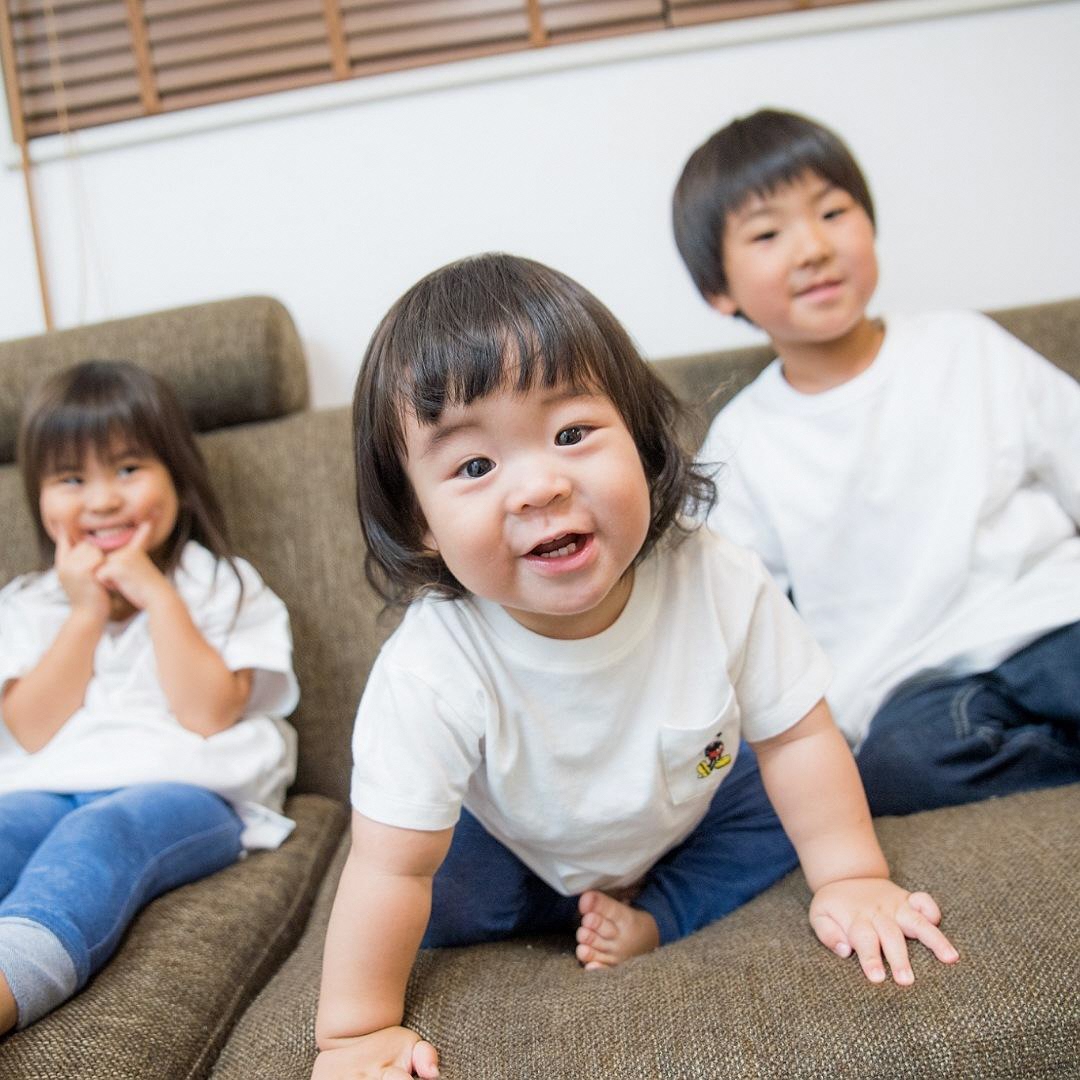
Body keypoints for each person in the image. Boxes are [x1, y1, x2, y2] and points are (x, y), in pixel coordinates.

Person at [312, 253, 957, 1079]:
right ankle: (571, 909)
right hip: (514, 848)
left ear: (643, 441)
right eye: (475, 467)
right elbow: (391, 866)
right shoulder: (434, 667)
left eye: (572, 434)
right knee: (414, 877)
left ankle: (658, 913)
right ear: (421, 521)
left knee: (787, 795)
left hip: (685, 818)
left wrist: (854, 877)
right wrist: (355, 1033)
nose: (539, 486)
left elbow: (799, 738)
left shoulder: (713, 575)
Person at [673, 108, 1080, 817]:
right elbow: (717, 616)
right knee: (894, 769)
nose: (812, 248)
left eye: (833, 212)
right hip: (916, 686)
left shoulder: (965, 347)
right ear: (720, 290)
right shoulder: (745, 445)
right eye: (768, 233)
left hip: (1052, 618)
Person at [0, 360, 299, 1035]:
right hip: (47, 783)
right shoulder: (28, 603)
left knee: (98, 834)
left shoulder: (223, 584)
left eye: (128, 469)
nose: (102, 501)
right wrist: (83, 613)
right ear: (39, 499)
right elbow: (30, 730)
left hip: (190, 789)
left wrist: (155, 595)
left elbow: (207, 713)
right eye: (72, 479)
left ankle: (13, 975)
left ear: (177, 477)